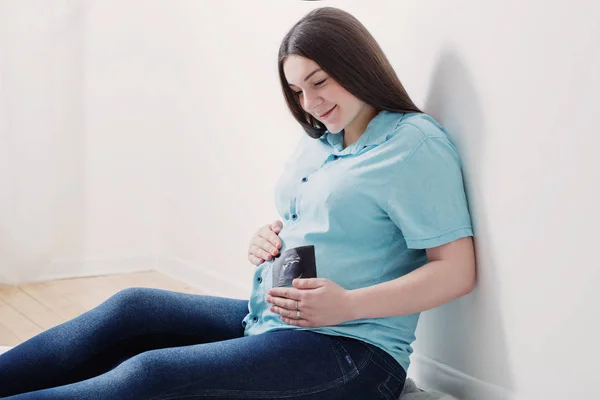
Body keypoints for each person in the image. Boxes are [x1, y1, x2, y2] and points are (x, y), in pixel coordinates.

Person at [0, 6, 475, 400]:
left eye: (320, 81)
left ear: (357, 65)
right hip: (271, 318)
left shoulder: (413, 144)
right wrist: (270, 235)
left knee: (151, 375)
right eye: (297, 90)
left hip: (354, 353)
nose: (310, 102)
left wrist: (346, 304)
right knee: (131, 309)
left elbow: (456, 270)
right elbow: (329, 217)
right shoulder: (325, 139)